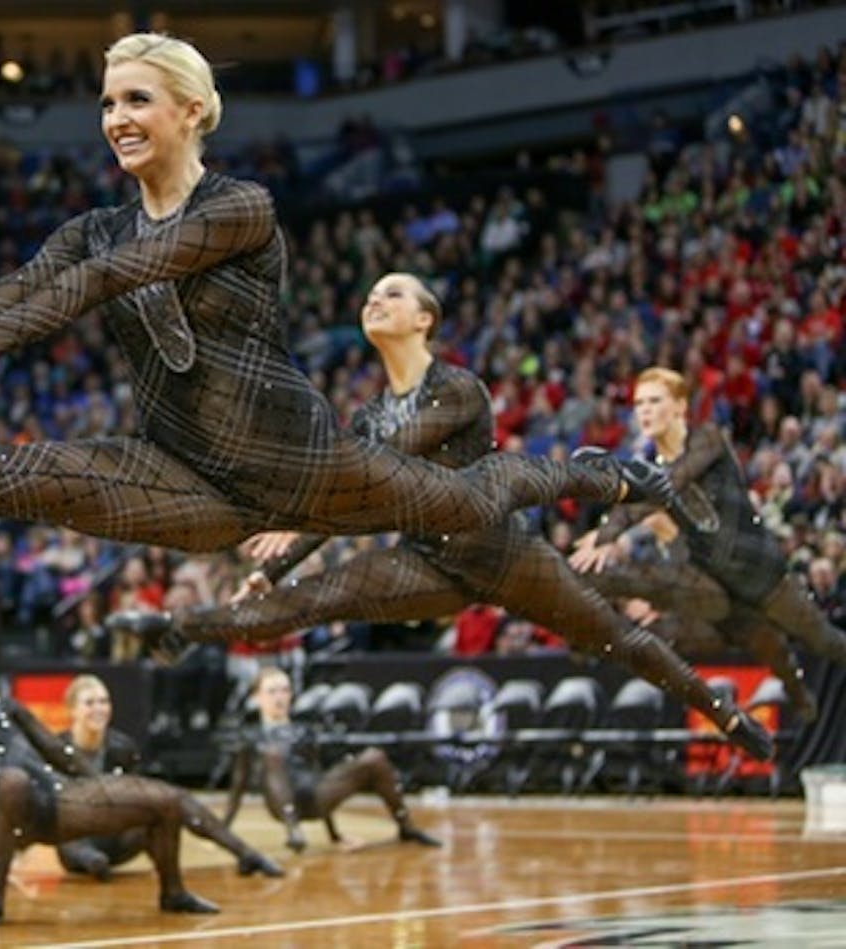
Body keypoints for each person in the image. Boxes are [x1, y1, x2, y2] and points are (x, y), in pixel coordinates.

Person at [0, 33, 679, 559]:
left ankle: (600, 471)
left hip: (307, 463)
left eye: (136, 99)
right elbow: (20, 286)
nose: (116, 119)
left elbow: (106, 280)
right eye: (105, 103)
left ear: (191, 110)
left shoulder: (241, 207)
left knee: (475, 496)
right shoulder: (93, 222)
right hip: (185, 472)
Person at [108, 274, 772, 759]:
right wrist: (278, 563)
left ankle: (723, 712)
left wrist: (315, 498)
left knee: (618, 638)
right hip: (427, 561)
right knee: (301, 603)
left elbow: (382, 466)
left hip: (506, 555)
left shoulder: (457, 389)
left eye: (392, 292)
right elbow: (356, 490)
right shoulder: (366, 416)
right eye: (369, 292)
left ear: (424, 318)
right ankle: (171, 625)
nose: (375, 298)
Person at [0, 660, 280, 928]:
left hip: (57, 802)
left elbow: (55, 751)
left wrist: (102, 786)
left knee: (164, 800)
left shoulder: (4, 709)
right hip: (8, 824)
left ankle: (174, 892)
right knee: (11, 781)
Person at [570, 366, 846, 718]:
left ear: (680, 406)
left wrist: (608, 531)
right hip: (715, 582)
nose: (644, 410)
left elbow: (668, 484)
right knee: (759, 641)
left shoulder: (708, 439)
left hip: (759, 573)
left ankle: (798, 692)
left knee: (824, 640)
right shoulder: (656, 468)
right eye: (639, 403)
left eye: (655, 401)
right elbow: (666, 516)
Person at [53, 674, 281, 881]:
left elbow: (137, 794)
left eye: (104, 701)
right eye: (90, 703)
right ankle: (94, 861)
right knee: (81, 846)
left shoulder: (122, 747)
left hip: (116, 836)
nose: (99, 708)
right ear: (72, 710)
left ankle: (246, 853)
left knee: (172, 801)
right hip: (75, 841)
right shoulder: (56, 749)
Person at [225, 667, 440, 853]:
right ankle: (294, 832)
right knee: (272, 754)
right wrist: (225, 828)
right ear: (256, 697)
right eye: (272, 691)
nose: (280, 697)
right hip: (280, 803)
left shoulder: (303, 730)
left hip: (312, 797)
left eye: (285, 690)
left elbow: (316, 771)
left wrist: (334, 835)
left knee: (374, 757)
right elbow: (238, 783)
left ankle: (406, 826)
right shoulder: (250, 736)